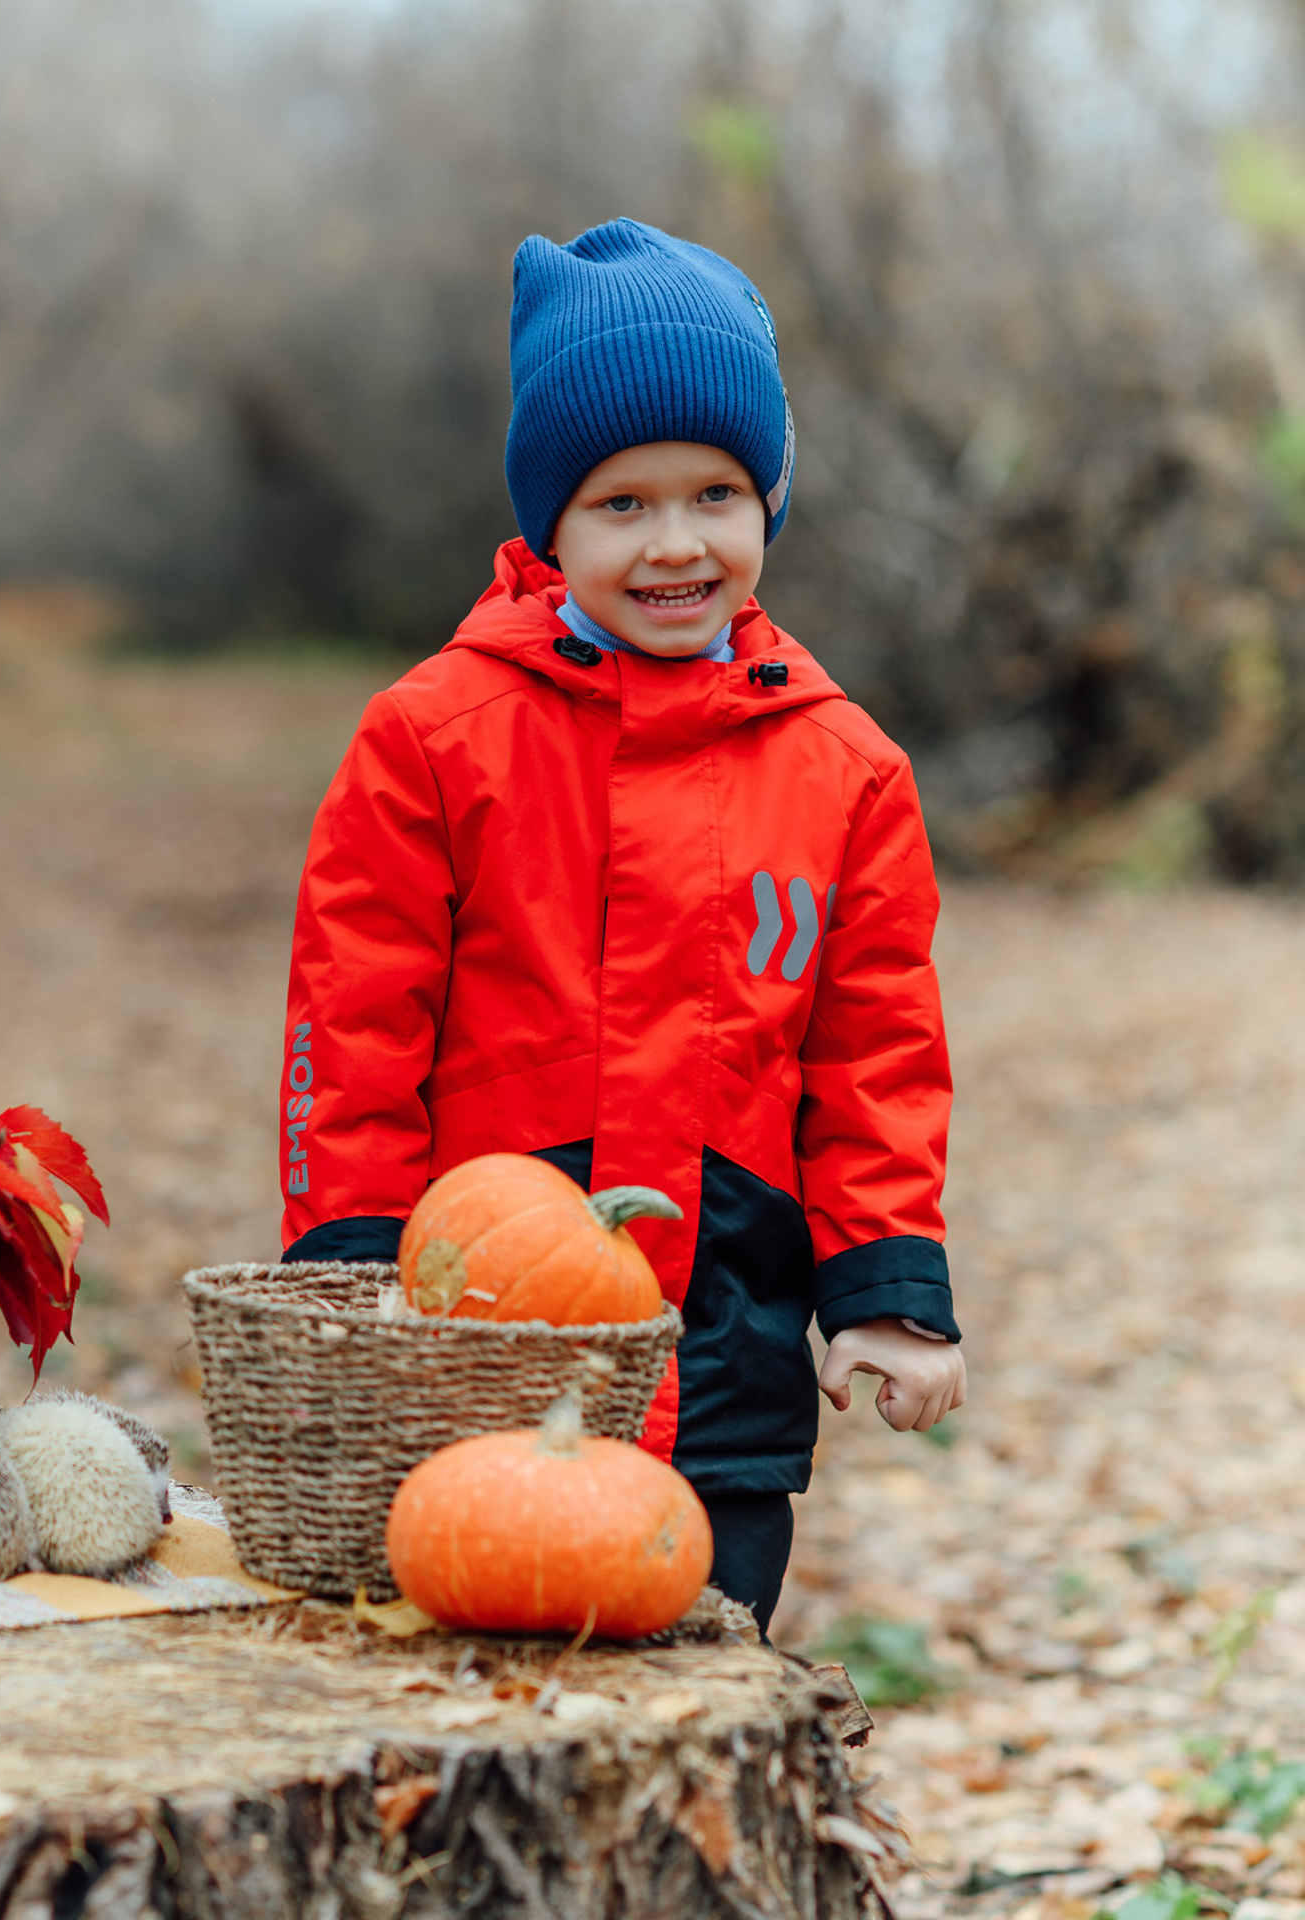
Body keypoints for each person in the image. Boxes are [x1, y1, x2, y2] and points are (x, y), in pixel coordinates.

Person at [275, 218, 965, 1637]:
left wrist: (886, 1290)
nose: (675, 543)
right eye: (621, 503)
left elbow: (877, 1054)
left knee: (701, 1689)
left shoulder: (846, 769)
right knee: (475, 1667)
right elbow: (354, 1020)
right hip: (479, 1340)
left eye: (715, 492)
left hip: (728, 1349)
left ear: (770, 499)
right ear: (548, 524)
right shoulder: (434, 736)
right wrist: (349, 1261)